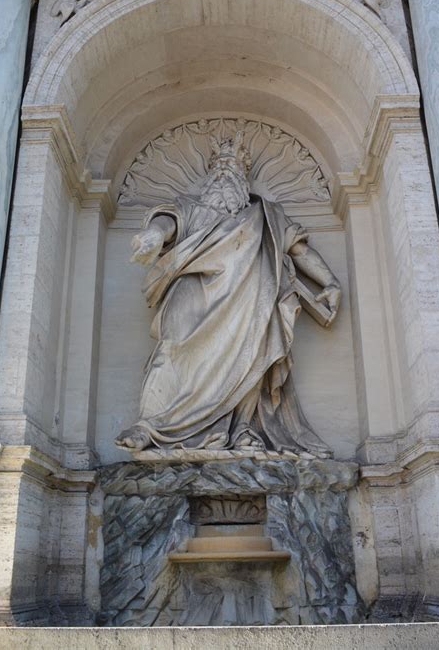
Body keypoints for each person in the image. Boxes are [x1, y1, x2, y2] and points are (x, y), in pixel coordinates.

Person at [115, 133, 341, 454]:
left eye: (232, 168)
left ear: (243, 176)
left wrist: (329, 283)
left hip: (250, 299)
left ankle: (241, 429)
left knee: (251, 354)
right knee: (172, 348)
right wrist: (152, 235)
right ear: (210, 176)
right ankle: (152, 425)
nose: (225, 173)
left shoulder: (266, 215)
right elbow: (168, 222)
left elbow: (299, 251)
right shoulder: (190, 208)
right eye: (220, 167)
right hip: (191, 291)